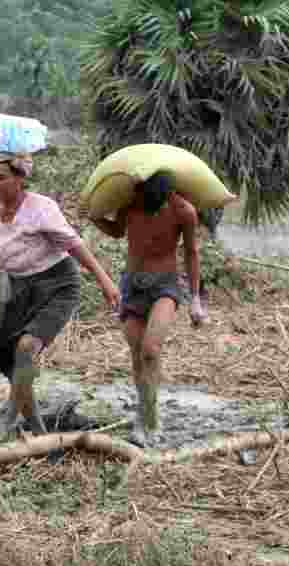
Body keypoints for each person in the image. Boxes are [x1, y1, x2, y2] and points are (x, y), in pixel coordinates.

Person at [0, 151, 120, 462]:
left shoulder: (41, 208)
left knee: (26, 348)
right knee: (2, 356)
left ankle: (8, 419)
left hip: (57, 285)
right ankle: (43, 438)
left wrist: (106, 281)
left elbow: (74, 245)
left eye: (2, 177)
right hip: (19, 289)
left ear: (20, 178)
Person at [86, 171, 207, 447]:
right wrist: (94, 217)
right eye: (144, 198)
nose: (149, 205)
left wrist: (196, 299)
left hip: (165, 285)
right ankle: (145, 413)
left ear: (169, 194)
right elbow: (117, 231)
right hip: (132, 286)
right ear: (139, 190)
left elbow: (191, 252)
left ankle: (151, 420)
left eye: (157, 202)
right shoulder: (131, 203)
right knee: (137, 353)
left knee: (151, 350)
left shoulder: (184, 211)